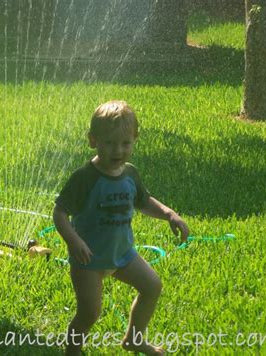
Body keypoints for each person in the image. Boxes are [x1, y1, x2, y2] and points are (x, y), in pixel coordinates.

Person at [53, 100, 189, 355]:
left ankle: (134, 339)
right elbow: (60, 212)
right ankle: (72, 351)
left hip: (123, 254)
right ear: (93, 140)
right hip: (89, 259)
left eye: (126, 143)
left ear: (135, 139)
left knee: (152, 286)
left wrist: (169, 214)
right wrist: (74, 241)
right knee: (89, 313)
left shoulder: (130, 174)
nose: (118, 150)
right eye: (109, 143)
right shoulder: (85, 177)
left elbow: (144, 202)